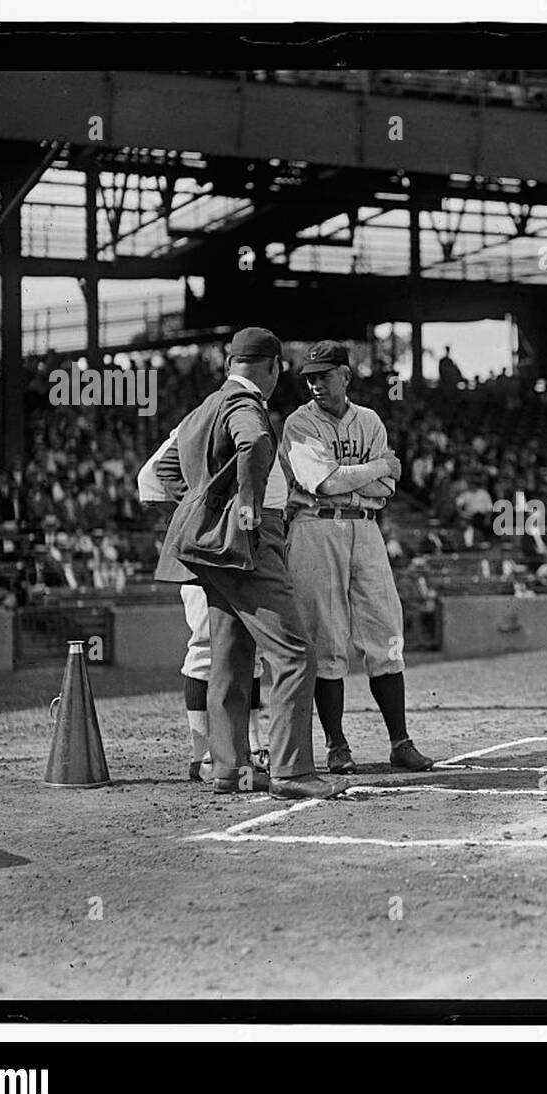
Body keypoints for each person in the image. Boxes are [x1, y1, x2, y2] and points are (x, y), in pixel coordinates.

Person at [154, 327, 345, 800]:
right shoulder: (245, 405)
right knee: (294, 653)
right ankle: (292, 772)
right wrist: (244, 504)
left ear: (228, 364)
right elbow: (255, 443)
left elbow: (163, 471)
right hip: (248, 544)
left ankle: (230, 769)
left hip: (212, 551)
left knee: (231, 655)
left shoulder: (203, 408)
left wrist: (204, 508)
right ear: (274, 367)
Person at [279, 340, 434, 774]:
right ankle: (337, 746)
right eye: (310, 377)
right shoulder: (298, 423)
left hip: (366, 527)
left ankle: (400, 742)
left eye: (324, 376)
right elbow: (325, 484)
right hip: (315, 526)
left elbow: (384, 493)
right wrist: (381, 467)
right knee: (326, 639)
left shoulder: (369, 420)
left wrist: (359, 479)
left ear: (346, 376)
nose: (315, 384)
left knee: (386, 629)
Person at [139, 425, 277, 783]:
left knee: (250, 648)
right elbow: (150, 476)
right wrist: (200, 505)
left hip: (242, 548)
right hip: (204, 548)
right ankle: (201, 755)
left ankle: (252, 745)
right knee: (204, 646)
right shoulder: (195, 426)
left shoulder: (251, 423)